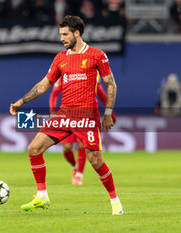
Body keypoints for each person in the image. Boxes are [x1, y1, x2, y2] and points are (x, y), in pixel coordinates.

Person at [10, 15, 123, 215]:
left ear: (76, 33)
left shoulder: (97, 55)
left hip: (87, 116)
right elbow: (45, 84)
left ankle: (115, 201)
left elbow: (111, 84)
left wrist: (107, 114)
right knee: (34, 148)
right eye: (61, 34)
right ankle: (42, 196)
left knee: (95, 160)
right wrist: (21, 101)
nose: (62, 38)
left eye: (65, 34)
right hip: (64, 114)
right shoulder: (60, 58)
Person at [49, 75, 116, 185]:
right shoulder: (65, 75)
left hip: (85, 114)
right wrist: (52, 112)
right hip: (68, 115)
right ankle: (75, 166)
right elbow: (54, 94)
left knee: (82, 144)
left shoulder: (91, 76)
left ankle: (79, 174)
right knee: (66, 148)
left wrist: (110, 113)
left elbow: (102, 94)